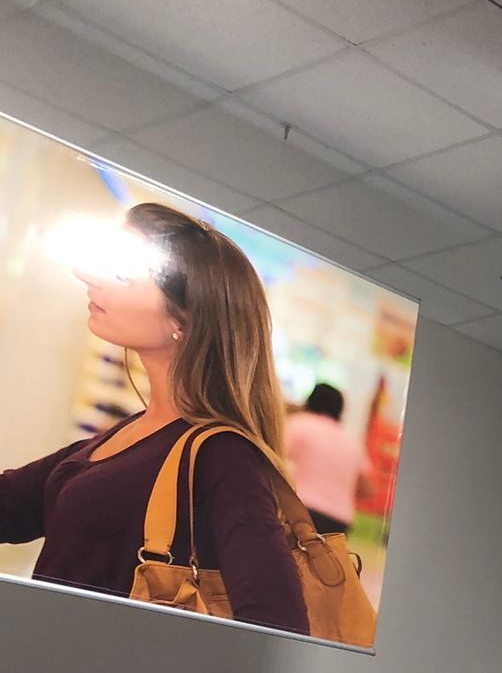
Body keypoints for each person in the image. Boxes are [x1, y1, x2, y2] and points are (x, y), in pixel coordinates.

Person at [0, 203, 309, 634]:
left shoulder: (224, 457)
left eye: (124, 273)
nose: (89, 277)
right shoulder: (133, 432)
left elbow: (278, 626)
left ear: (182, 319)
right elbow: (11, 505)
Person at [284, 383, 364, 536]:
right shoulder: (350, 440)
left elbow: (273, 454)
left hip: (301, 509)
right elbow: (366, 487)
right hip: (339, 520)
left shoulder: (300, 424)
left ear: (310, 401)